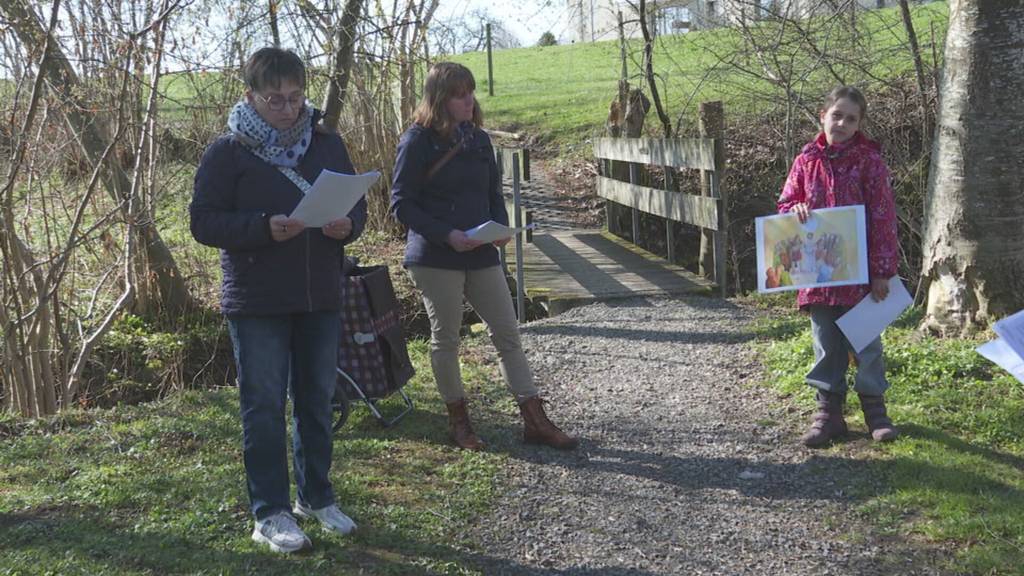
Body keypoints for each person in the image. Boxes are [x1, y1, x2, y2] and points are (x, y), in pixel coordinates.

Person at [190, 47, 367, 553]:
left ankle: (316, 496)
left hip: (319, 294)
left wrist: (348, 225)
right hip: (258, 299)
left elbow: (360, 206)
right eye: (275, 100)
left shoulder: (326, 144)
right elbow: (202, 221)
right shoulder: (227, 152)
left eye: (295, 98)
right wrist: (262, 228)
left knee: (316, 400)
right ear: (250, 95)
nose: (288, 110)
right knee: (264, 406)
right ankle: (269, 512)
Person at [390, 62, 577, 451]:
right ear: (440, 98)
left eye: (470, 92)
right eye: (460, 94)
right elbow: (401, 204)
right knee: (446, 340)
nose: (468, 100)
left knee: (508, 334)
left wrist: (501, 228)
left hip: (480, 252)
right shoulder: (417, 141)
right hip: (434, 256)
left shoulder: (477, 139)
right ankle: (459, 424)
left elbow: (493, 193)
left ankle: (534, 420)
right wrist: (447, 235)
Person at [777, 86, 900, 447]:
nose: (842, 123)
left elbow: (883, 217)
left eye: (851, 118)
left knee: (866, 344)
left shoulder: (869, 162)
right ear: (823, 115)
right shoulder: (805, 161)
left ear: (859, 123)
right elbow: (785, 204)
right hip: (819, 275)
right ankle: (828, 415)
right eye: (837, 115)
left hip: (861, 276)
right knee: (826, 343)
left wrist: (882, 271)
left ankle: (875, 411)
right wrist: (794, 209)